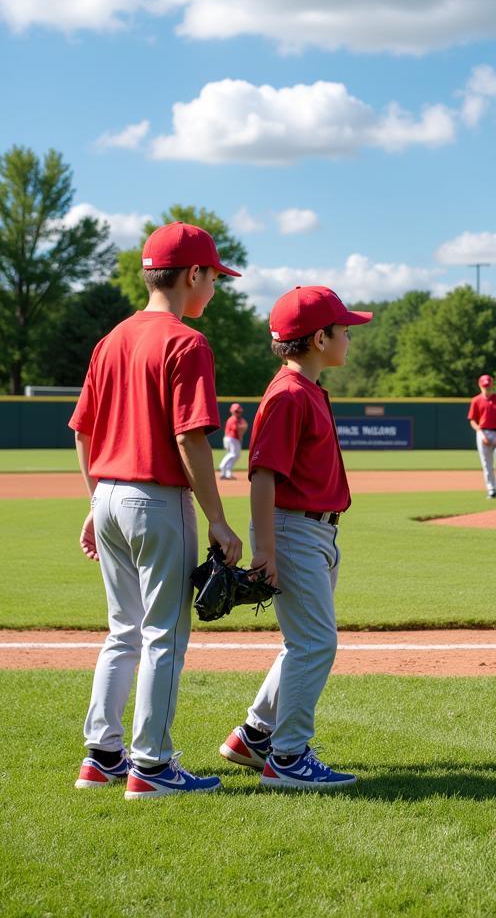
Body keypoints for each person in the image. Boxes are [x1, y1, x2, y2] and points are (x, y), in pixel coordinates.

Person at [69, 221, 243, 798]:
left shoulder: (112, 337)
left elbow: (83, 432)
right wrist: (217, 518)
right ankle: (153, 766)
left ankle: (102, 757)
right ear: (192, 274)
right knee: (164, 633)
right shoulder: (186, 342)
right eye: (214, 277)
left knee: (123, 631)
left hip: (109, 493)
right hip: (155, 499)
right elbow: (191, 439)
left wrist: (96, 499)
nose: (215, 288)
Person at [218, 286, 371, 790]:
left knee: (303, 641)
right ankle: (287, 758)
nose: (349, 336)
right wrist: (265, 550)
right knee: (316, 643)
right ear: (319, 337)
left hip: (313, 529)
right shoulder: (288, 394)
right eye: (343, 329)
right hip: (294, 528)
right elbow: (262, 475)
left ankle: (256, 735)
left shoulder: (303, 388)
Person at [468, 373, 496, 499]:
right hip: (482, 433)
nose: (487, 388)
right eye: (485, 386)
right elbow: (472, 421)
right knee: (487, 464)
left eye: (489, 385)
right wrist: (481, 435)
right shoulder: (476, 400)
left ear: (492, 385)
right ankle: (491, 490)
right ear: (480, 386)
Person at [218, 403, 248, 479]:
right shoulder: (233, 419)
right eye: (236, 411)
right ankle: (222, 466)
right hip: (231, 438)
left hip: (232, 439)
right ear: (232, 411)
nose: (238, 413)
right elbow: (237, 429)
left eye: (239, 411)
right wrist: (243, 428)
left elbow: (242, 427)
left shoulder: (238, 419)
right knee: (233, 454)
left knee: (236, 456)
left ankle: (227, 472)